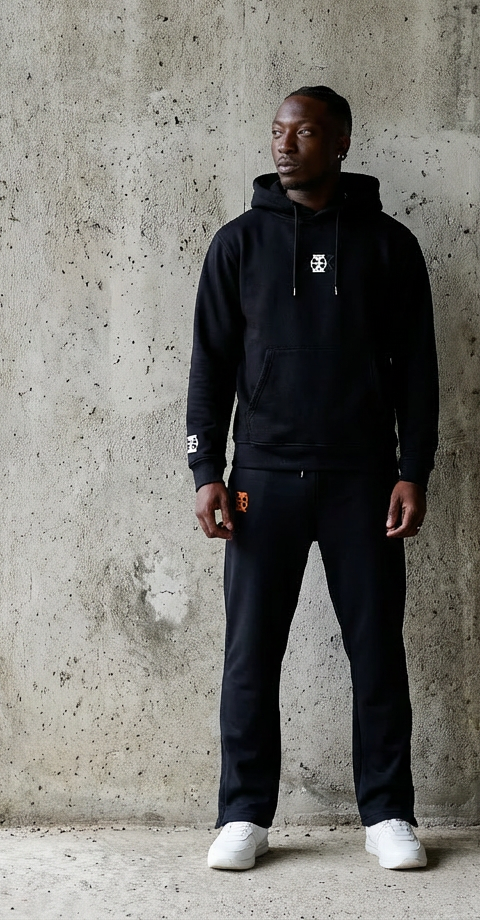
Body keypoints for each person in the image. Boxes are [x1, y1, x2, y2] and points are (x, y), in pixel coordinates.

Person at [186, 85, 439, 871]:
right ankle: (243, 816)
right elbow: (209, 366)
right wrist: (205, 468)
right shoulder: (237, 245)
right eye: (277, 131)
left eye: (303, 132)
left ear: (340, 143)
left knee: (377, 653)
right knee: (250, 656)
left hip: (363, 480)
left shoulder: (390, 246)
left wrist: (413, 469)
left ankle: (388, 814)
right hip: (262, 478)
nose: (284, 144)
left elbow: (418, 371)